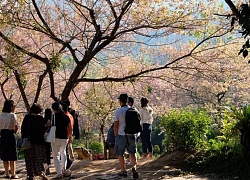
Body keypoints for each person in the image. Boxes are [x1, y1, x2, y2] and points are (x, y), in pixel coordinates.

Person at [113, 93, 139, 178]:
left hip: (121, 134)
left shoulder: (118, 112)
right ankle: (134, 167)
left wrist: (115, 134)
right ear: (127, 101)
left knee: (120, 153)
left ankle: (123, 170)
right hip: (131, 134)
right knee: (132, 152)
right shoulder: (134, 110)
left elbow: (116, 125)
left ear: (120, 101)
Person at [21, 103, 48, 180]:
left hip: (28, 141)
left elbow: (22, 129)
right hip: (39, 141)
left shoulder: (27, 118)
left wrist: (23, 138)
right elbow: (44, 130)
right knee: (39, 158)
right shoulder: (41, 118)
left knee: (29, 158)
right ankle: (41, 172)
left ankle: (30, 175)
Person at [50, 102, 73, 179]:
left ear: (53, 109)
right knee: (63, 152)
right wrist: (70, 136)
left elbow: (49, 126)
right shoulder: (66, 116)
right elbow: (70, 128)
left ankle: (59, 173)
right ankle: (64, 169)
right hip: (64, 138)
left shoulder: (53, 117)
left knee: (56, 155)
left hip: (55, 138)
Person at [0, 99, 19, 179]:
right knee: (12, 155)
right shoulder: (12, 115)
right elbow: (16, 126)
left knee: (5, 155)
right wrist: (13, 132)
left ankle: (7, 173)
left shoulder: (1, 115)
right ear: (11, 106)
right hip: (10, 134)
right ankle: (13, 174)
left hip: (3, 135)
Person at [62, 101, 75, 170]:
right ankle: (69, 160)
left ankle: (68, 163)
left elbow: (70, 127)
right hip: (68, 134)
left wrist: (70, 135)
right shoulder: (70, 115)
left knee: (64, 151)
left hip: (66, 134)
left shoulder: (66, 116)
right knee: (66, 149)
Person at [44, 108, 52, 175]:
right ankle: (48, 168)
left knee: (45, 152)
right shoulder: (51, 120)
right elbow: (49, 127)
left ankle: (45, 168)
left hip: (44, 137)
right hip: (49, 137)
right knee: (48, 152)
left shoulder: (43, 119)